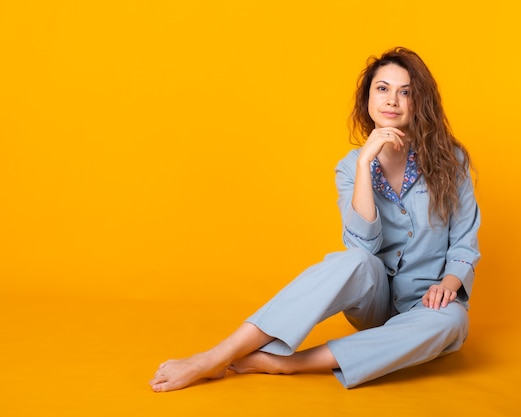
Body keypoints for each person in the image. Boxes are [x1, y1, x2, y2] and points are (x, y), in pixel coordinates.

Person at [149, 46, 480, 391]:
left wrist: (449, 284)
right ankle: (215, 356)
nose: (392, 100)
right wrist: (366, 164)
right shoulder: (350, 167)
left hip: (428, 305)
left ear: (419, 102)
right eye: (382, 88)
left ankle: (287, 363)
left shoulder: (452, 161)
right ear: (368, 98)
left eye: (405, 92)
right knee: (354, 259)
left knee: (453, 322)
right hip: (375, 302)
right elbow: (362, 246)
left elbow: (464, 241)